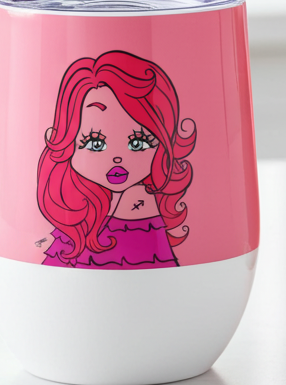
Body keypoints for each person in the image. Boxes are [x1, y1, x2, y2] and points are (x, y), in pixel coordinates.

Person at [35, 50, 195, 268]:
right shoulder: (78, 197)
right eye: (95, 143)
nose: (118, 159)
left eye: (138, 143)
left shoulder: (140, 199)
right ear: (67, 141)